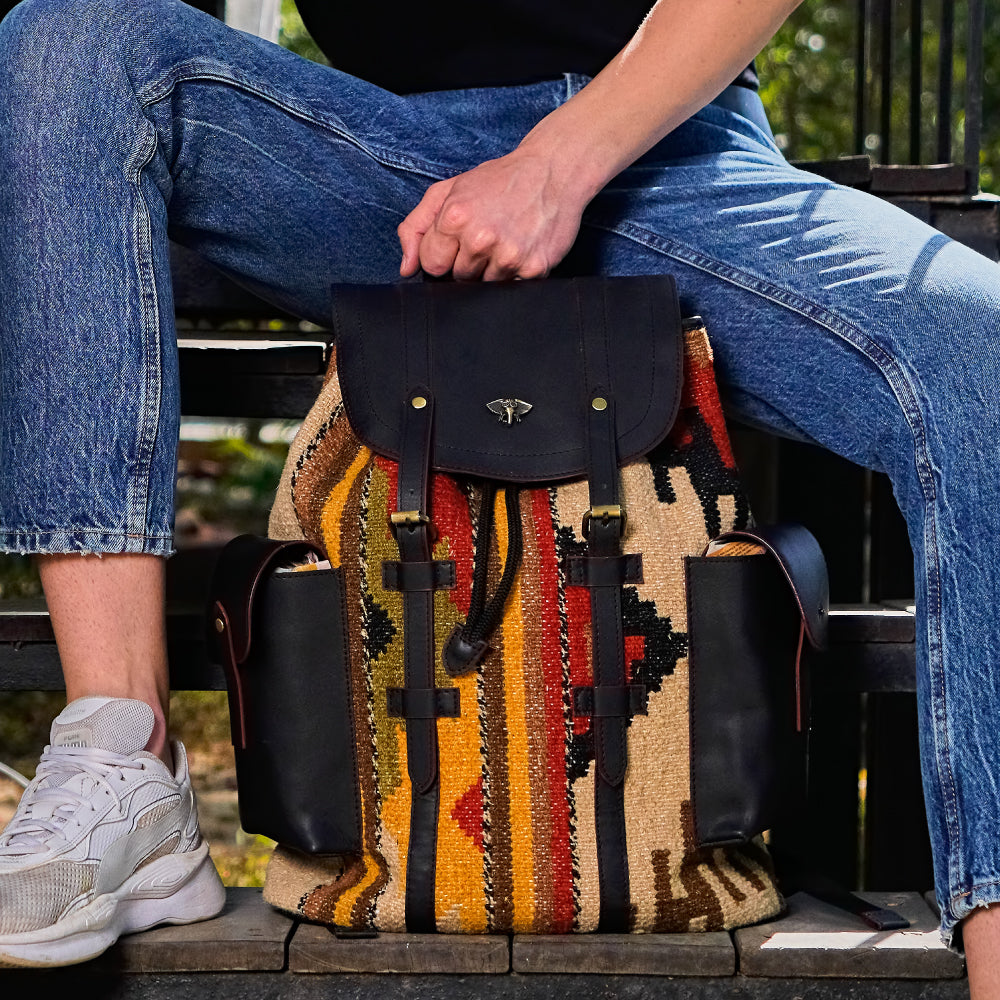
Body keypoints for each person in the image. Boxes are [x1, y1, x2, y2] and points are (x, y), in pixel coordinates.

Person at [0, 0, 998, 991]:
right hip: (377, 162)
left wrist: (555, 167)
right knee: (68, 40)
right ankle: (122, 755)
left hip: (673, 156)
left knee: (980, 352)